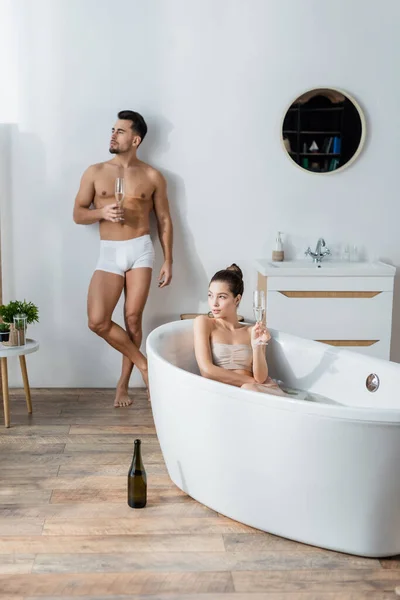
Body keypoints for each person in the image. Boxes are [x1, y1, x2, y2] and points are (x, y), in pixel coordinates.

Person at [73, 110, 173, 406]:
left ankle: (122, 386)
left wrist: (169, 260)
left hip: (140, 248)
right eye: (113, 129)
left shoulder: (153, 176)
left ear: (135, 139)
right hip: (109, 252)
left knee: (132, 318)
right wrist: (101, 212)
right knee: (97, 321)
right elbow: (78, 213)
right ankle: (144, 365)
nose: (113, 135)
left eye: (120, 131)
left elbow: (165, 220)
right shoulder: (95, 171)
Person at [193, 264, 286, 396]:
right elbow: (206, 370)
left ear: (237, 299)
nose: (214, 303)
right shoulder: (204, 323)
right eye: (210, 295)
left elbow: (261, 377)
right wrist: (251, 382)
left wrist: (257, 346)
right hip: (234, 393)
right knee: (248, 388)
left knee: (249, 389)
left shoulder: (251, 331)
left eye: (222, 297)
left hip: (255, 392)